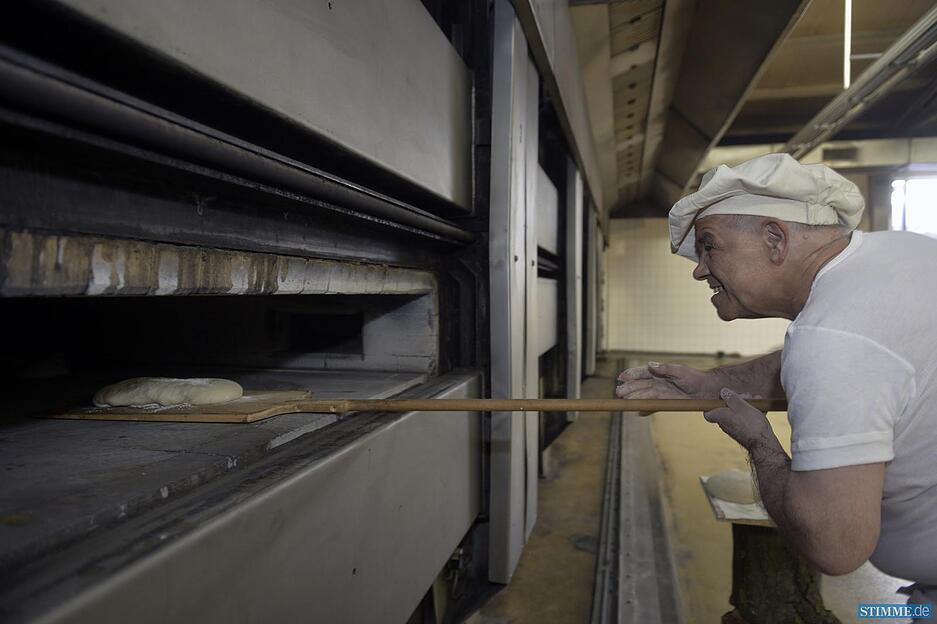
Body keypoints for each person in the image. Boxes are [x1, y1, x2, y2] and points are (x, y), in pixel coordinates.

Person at [615, 153, 936, 608]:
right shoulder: (901, 253)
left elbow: (835, 545)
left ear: (774, 240)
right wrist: (714, 382)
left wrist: (759, 441)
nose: (699, 269)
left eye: (708, 245)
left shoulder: (831, 337)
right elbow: (865, 353)